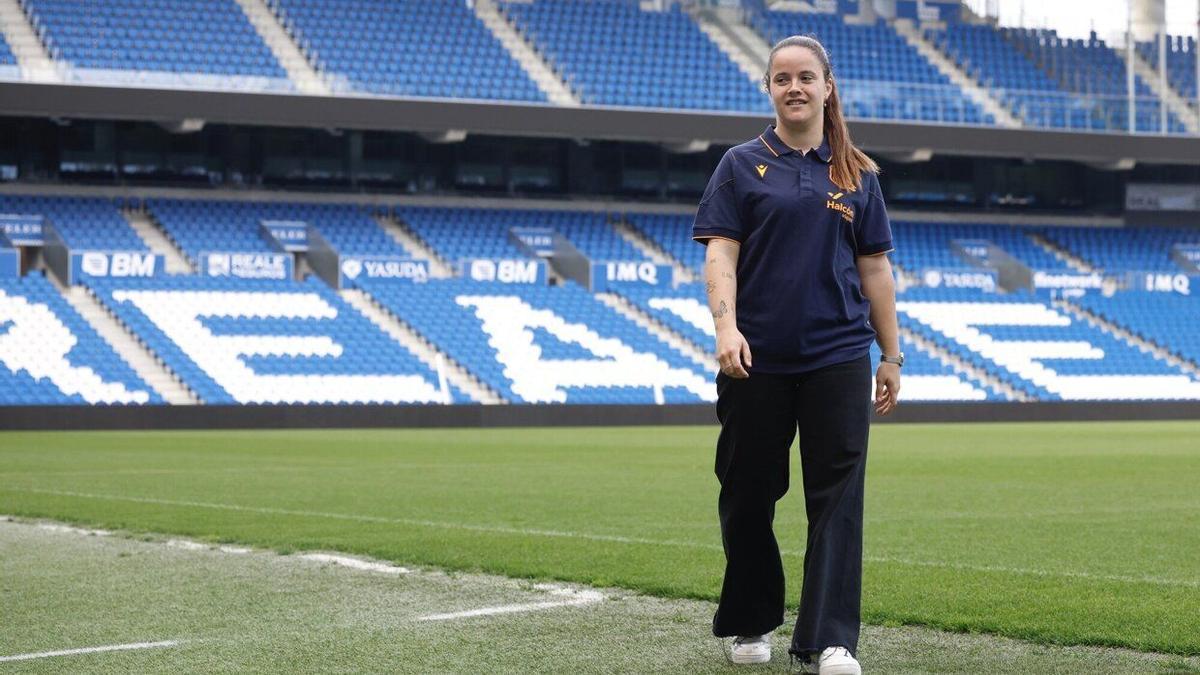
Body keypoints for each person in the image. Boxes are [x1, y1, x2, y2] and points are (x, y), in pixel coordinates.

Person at [692, 34, 902, 674]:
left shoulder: (858, 175)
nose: (794, 88)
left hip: (838, 355)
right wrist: (725, 328)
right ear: (769, 89)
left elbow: (875, 271)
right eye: (781, 78)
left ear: (827, 87)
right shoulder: (738, 164)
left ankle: (831, 638)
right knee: (748, 489)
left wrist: (891, 356)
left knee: (838, 496)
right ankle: (752, 622)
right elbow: (720, 252)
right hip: (755, 355)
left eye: (806, 77)